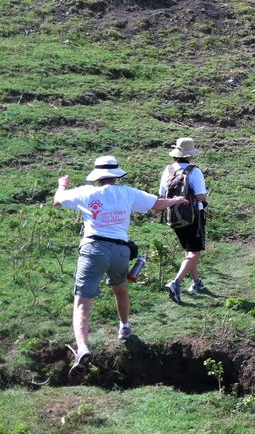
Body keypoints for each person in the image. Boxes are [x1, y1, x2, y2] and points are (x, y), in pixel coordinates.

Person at [54, 155, 187, 382]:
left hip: (93, 249)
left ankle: (83, 348)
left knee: (82, 302)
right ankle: (124, 327)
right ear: (116, 175)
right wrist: (177, 201)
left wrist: (62, 185)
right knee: (121, 289)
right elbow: (156, 204)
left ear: (97, 176)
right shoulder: (127, 192)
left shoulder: (86, 192)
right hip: (120, 251)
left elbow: (57, 201)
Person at [160, 137, 208, 303]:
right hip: (194, 216)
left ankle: (197, 282)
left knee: (188, 250)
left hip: (173, 215)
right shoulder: (194, 171)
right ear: (190, 155)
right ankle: (176, 282)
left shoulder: (168, 170)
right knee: (195, 252)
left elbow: (162, 193)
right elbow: (200, 196)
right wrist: (205, 200)